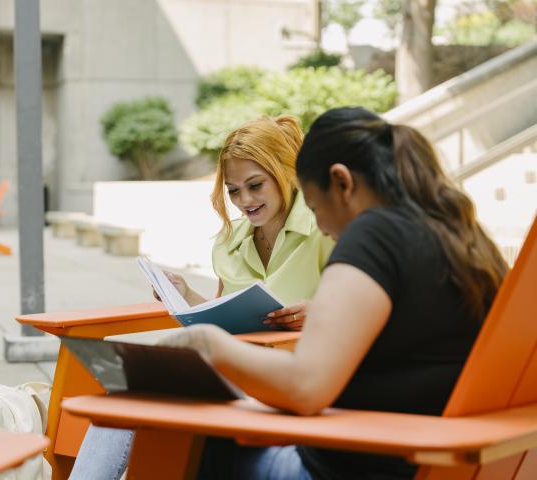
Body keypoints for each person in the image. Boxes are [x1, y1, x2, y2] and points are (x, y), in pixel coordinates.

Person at [158, 106, 508, 480]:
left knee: (172, 433)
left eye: (313, 205)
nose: (321, 227)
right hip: (433, 457)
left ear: (341, 182)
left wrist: (206, 344)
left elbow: (306, 387)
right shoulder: (460, 235)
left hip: (360, 464)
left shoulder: (375, 234)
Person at [68, 114, 336, 479]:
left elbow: (360, 311)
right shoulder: (230, 241)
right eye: (234, 190)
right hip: (231, 369)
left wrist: (320, 311)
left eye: (255, 185)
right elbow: (222, 310)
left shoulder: (325, 227)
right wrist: (185, 295)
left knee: (150, 401)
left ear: (285, 173)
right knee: (126, 400)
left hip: (290, 377)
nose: (245, 200)